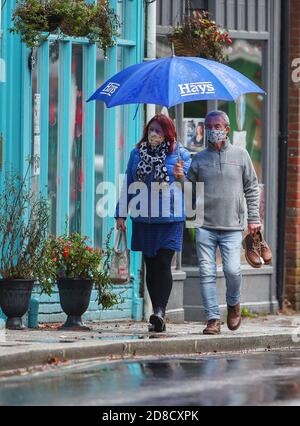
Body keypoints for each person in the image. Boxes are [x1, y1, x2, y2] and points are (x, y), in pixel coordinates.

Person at [173, 110, 261, 335]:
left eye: (217, 126)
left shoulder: (241, 156)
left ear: (227, 128)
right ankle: (212, 318)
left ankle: (233, 303)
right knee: (206, 272)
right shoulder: (199, 159)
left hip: (232, 225)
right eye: (209, 126)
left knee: (232, 270)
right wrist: (180, 177)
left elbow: (251, 188)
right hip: (204, 224)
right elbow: (190, 191)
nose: (213, 130)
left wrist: (254, 219)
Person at [115, 114, 191, 332]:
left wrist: (181, 176)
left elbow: (193, 189)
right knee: (150, 265)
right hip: (144, 218)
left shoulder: (180, 155)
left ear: (168, 133)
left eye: (158, 130)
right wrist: (121, 213)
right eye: (151, 130)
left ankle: (159, 311)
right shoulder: (137, 154)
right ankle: (157, 314)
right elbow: (127, 183)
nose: (153, 134)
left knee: (163, 263)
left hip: (170, 218)